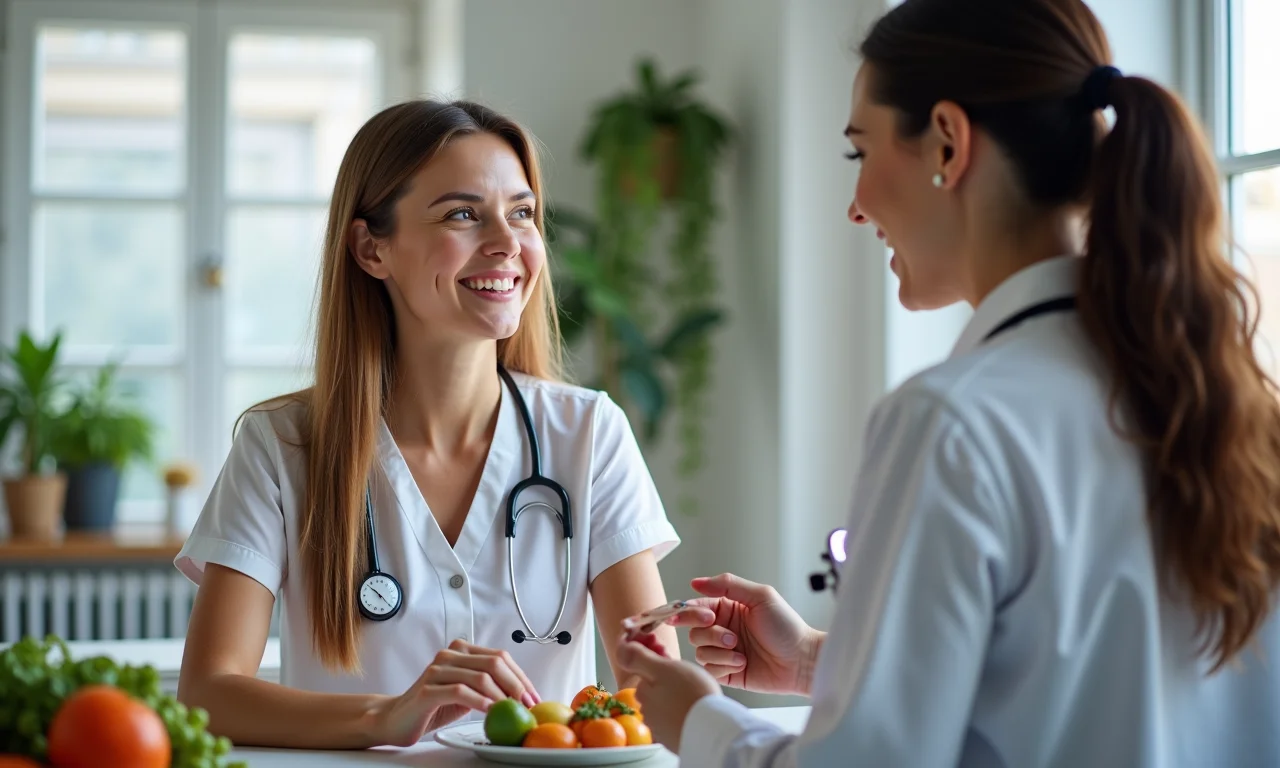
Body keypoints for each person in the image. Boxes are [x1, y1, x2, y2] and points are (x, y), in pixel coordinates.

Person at [614, 0, 1280, 765]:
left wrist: (700, 719)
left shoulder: (951, 423)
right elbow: (1093, 691)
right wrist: (814, 662)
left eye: (858, 152)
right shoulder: (1234, 405)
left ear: (948, 142)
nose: (857, 208)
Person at [172, 99, 682, 750]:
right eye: (463, 214)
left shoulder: (588, 435)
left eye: (522, 213)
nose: (507, 243)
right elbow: (209, 694)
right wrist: (388, 716)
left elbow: (658, 686)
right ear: (370, 248)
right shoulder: (281, 446)